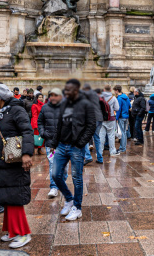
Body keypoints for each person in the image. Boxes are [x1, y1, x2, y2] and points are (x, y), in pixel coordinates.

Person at [0, 84, 34, 249]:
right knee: (7, 196)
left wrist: (27, 153)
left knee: (14, 197)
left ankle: (23, 233)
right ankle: (12, 230)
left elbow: (27, 131)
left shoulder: (16, 111)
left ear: (1, 97)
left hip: (14, 161)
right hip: (1, 161)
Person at [52, 79, 96, 221]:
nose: (66, 92)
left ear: (76, 90)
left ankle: (77, 207)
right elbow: (59, 124)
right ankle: (69, 199)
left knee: (77, 178)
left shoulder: (86, 104)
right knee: (55, 175)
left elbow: (91, 125)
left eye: (69, 89)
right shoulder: (64, 103)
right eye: (65, 89)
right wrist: (54, 142)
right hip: (61, 145)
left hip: (76, 147)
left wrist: (80, 143)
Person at [37, 88, 65, 197]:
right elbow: (40, 121)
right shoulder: (44, 108)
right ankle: (54, 187)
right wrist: (43, 133)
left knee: (64, 167)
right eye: (51, 95)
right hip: (50, 141)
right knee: (53, 165)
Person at [81, 85, 104, 164]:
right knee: (97, 138)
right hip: (99, 118)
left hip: (91, 119)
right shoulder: (96, 96)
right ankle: (100, 158)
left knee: (85, 137)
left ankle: (88, 156)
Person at [97, 86, 118, 158]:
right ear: (111, 90)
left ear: (103, 90)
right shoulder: (113, 98)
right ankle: (112, 151)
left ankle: (100, 151)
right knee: (111, 135)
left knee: (101, 135)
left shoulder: (99, 98)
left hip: (101, 118)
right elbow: (117, 108)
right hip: (111, 118)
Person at [113, 86, 130, 154]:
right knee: (124, 132)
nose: (114, 92)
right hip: (126, 116)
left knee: (122, 132)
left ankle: (122, 148)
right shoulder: (126, 96)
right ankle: (124, 147)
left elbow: (118, 109)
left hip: (121, 116)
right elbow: (129, 106)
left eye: (114, 90)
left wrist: (116, 118)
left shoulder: (119, 98)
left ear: (117, 90)